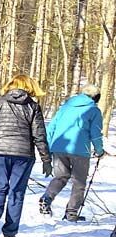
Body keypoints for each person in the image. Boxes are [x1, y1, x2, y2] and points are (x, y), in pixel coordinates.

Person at [0, 74, 50, 237]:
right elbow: (39, 135)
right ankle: (9, 234)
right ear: (29, 87)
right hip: (23, 154)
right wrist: (46, 159)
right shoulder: (33, 107)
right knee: (16, 192)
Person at [41, 84, 106, 222]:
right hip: (80, 150)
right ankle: (71, 213)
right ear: (95, 97)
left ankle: (46, 198)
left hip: (59, 147)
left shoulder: (65, 107)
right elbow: (95, 133)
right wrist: (99, 150)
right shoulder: (93, 110)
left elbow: (51, 126)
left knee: (60, 177)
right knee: (79, 182)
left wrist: (49, 146)